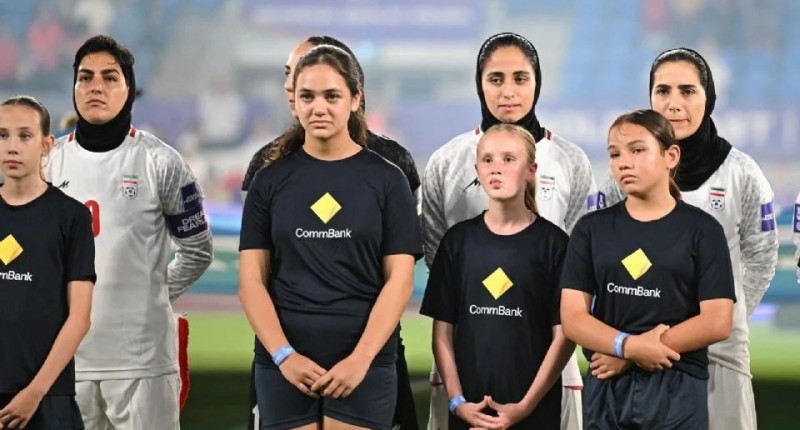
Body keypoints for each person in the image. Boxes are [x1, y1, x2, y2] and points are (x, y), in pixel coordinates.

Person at [241, 35, 421, 430]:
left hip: (365, 365)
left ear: (355, 99)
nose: (318, 107)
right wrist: (284, 356)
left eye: (332, 96)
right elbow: (251, 281)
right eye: (307, 96)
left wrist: (361, 359)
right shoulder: (267, 181)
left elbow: (400, 281)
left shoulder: (389, 180)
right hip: (284, 365)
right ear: (294, 101)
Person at [597, 48, 779, 430]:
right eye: (663, 91)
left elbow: (761, 259)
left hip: (718, 355)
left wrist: (720, 320)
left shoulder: (742, 173)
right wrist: (627, 342)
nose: (674, 103)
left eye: (688, 91)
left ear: (708, 97)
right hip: (636, 353)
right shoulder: (622, 175)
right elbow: (600, 261)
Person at [421, 32, 594, 430]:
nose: (508, 91)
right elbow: (436, 253)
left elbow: (579, 265)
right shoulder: (446, 160)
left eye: (521, 78)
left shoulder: (571, 160)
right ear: (479, 84)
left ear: (538, 82)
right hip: (466, 351)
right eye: (495, 79)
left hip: (548, 351)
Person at [46, 35, 213, 429]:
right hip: (65, 362)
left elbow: (198, 250)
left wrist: (152, 293)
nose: (96, 87)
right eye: (85, 78)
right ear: (74, 88)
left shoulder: (162, 162)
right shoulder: (48, 163)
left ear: (129, 89)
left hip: (143, 363)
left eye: (109, 78)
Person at [562, 109, 736, 429]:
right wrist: (628, 346)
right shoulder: (591, 229)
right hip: (606, 386)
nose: (623, 162)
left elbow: (717, 321)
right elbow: (573, 318)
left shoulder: (703, 230)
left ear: (671, 156)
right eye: (615, 154)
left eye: (637, 150)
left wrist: (629, 355)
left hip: (676, 387)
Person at [421, 124, 574, 430]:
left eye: (509, 159)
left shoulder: (555, 244)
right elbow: (442, 334)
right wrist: (457, 403)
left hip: (533, 414)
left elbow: (564, 336)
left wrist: (524, 407)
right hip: (469, 413)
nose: (496, 168)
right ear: (477, 170)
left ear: (531, 171)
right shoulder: (457, 242)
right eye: (487, 160)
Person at [0, 96, 95, 430]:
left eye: (24, 136)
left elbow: (79, 319)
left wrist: (34, 393)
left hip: (48, 398)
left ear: (46, 144)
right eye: (2, 135)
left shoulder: (71, 217)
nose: (12, 146)